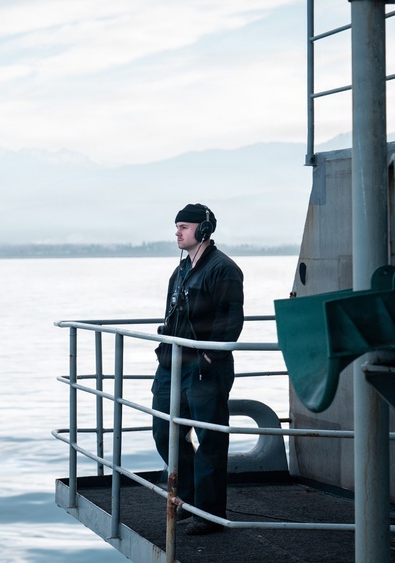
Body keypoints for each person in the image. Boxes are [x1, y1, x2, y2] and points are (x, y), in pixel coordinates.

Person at [152, 203, 244, 536]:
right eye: (176, 226)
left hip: (205, 368)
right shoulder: (180, 271)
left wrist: (210, 357)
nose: (177, 232)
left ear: (203, 231)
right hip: (172, 365)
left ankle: (206, 514)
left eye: (184, 227)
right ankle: (187, 501)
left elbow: (231, 318)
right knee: (164, 431)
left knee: (209, 440)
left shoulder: (223, 269)